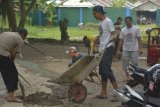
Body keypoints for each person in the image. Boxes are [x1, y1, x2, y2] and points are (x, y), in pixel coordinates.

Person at [92, 5, 118, 99]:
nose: (94, 16)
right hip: (102, 49)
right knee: (102, 71)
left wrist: (113, 38)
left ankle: (118, 91)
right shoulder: (101, 23)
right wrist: (97, 40)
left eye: (95, 14)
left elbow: (114, 34)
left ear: (99, 12)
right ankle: (103, 93)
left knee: (106, 70)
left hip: (108, 48)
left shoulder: (108, 21)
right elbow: (103, 36)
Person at [0, 28, 28, 102]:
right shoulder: (20, 39)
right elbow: (14, 53)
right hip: (2, 54)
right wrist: (11, 63)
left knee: (5, 73)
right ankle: (11, 96)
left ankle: (9, 91)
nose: (24, 38)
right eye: (25, 37)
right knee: (13, 74)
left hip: (2, 53)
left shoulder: (6, 33)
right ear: (22, 35)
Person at [116, 16, 142, 82]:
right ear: (125, 22)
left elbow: (139, 39)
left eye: (129, 21)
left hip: (134, 49)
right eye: (126, 21)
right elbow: (121, 41)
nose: (127, 22)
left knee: (135, 64)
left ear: (131, 21)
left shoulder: (136, 29)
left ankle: (135, 77)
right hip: (125, 49)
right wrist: (118, 50)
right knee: (125, 64)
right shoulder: (123, 30)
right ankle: (127, 77)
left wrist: (140, 48)